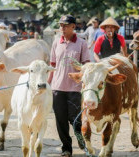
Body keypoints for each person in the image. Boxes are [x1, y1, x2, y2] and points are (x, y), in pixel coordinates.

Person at [48, 15, 90, 157]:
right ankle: (66, 148)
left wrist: (79, 67)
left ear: (73, 26)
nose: (62, 28)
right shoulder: (56, 43)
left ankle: (80, 140)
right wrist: (48, 84)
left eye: (65, 26)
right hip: (57, 88)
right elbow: (52, 65)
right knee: (60, 121)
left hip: (75, 88)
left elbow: (86, 65)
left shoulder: (82, 43)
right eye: (61, 25)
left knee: (76, 119)